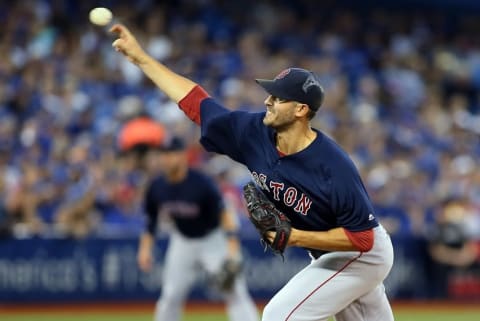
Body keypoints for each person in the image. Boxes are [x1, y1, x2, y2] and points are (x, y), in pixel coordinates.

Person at [112, 23, 394, 321]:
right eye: (270, 95)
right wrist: (142, 59)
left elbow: (363, 239)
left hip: (362, 255)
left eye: (278, 98)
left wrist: (295, 236)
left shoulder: (333, 165)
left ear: (300, 110)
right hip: (334, 255)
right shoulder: (253, 133)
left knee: (279, 315)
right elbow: (196, 103)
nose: (267, 101)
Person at [137, 135, 259, 321]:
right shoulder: (157, 186)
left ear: (183, 156)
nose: (167, 158)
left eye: (172, 153)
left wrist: (232, 251)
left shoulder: (201, 183)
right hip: (183, 240)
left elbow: (225, 215)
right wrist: (145, 249)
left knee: (234, 292)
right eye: (164, 154)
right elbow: (150, 220)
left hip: (213, 239)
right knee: (170, 295)